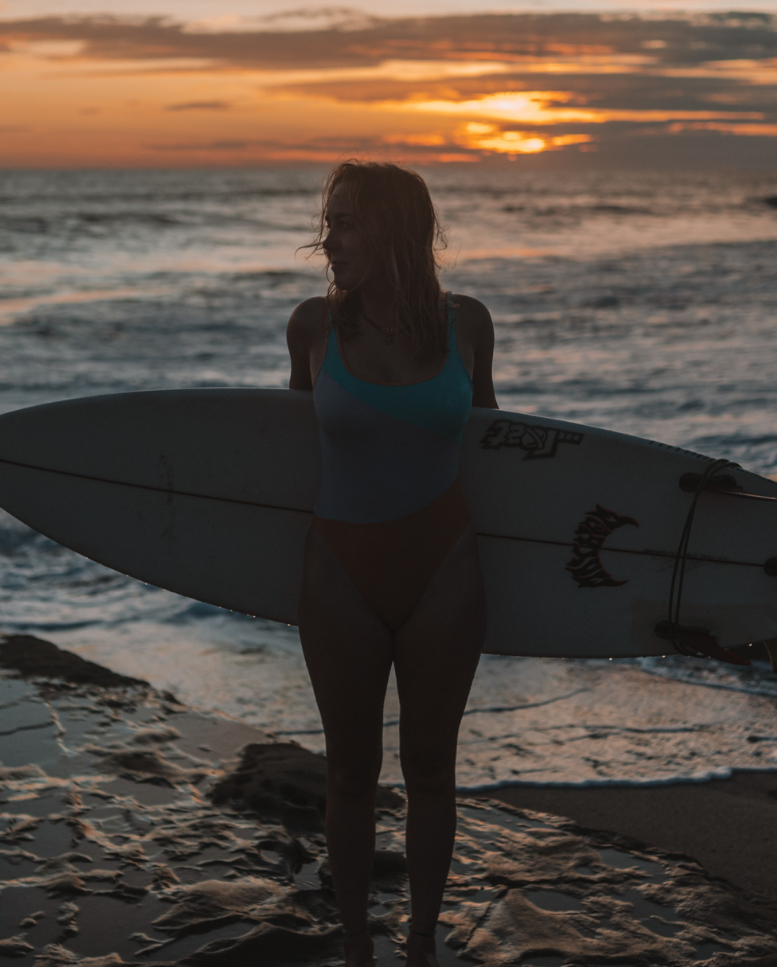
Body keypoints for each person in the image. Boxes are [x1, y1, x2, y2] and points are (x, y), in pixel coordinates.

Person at [287, 160, 498, 967]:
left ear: (395, 230)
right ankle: (354, 947)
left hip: (447, 572)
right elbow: (277, 455)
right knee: (348, 776)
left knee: (432, 773)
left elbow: (496, 451)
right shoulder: (312, 327)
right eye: (329, 221)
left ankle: (418, 946)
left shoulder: (468, 325)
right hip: (340, 573)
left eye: (345, 224)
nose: (327, 241)